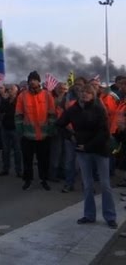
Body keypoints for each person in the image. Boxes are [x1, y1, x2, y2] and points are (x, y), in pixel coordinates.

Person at [57, 84, 117, 229]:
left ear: (94, 94)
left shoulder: (99, 109)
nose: (85, 94)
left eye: (88, 92)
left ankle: (110, 216)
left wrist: (88, 146)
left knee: (104, 184)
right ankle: (89, 215)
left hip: (99, 149)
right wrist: (70, 137)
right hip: (82, 151)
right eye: (82, 92)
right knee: (88, 185)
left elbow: (103, 132)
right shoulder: (73, 109)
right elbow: (59, 124)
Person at [15, 71, 56, 191]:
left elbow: (52, 114)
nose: (32, 82)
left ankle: (44, 180)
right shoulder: (22, 96)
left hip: (44, 135)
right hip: (27, 135)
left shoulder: (47, 95)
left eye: (35, 79)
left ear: (39, 81)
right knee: (27, 160)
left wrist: (51, 130)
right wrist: (20, 131)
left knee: (43, 160)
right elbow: (18, 115)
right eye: (30, 80)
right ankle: (28, 180)